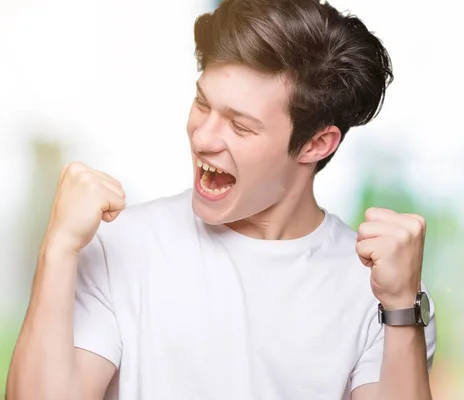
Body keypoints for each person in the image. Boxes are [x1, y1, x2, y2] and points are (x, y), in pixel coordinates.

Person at [7, 0, 437, 399]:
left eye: (241, 125)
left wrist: (400, 306)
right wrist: (58, 249)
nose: (202, 136)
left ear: (315, 144)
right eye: (202, 103)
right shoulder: (121, 246)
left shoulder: (381, 292)